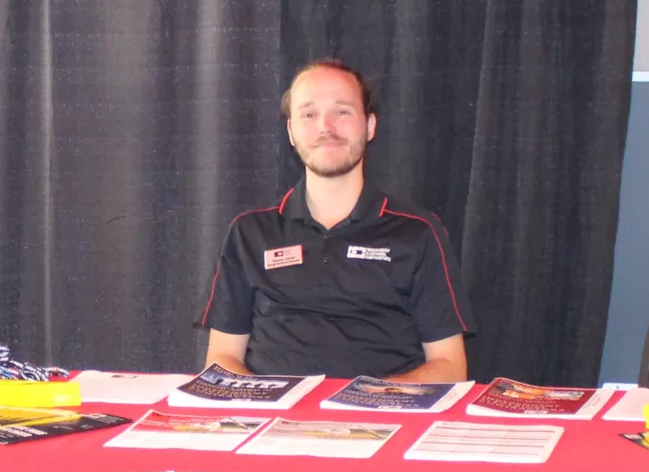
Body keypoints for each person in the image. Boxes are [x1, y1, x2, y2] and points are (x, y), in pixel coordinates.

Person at [199, 60, 470, 382]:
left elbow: (450, 366)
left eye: (342, 112)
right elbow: (222, 359)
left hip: (382, 410)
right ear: (291, 132)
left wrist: (364, 400)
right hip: (271, 411)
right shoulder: (249, 232)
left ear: (370, 126)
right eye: (309, 114)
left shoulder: (418, 232)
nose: (326, 127)